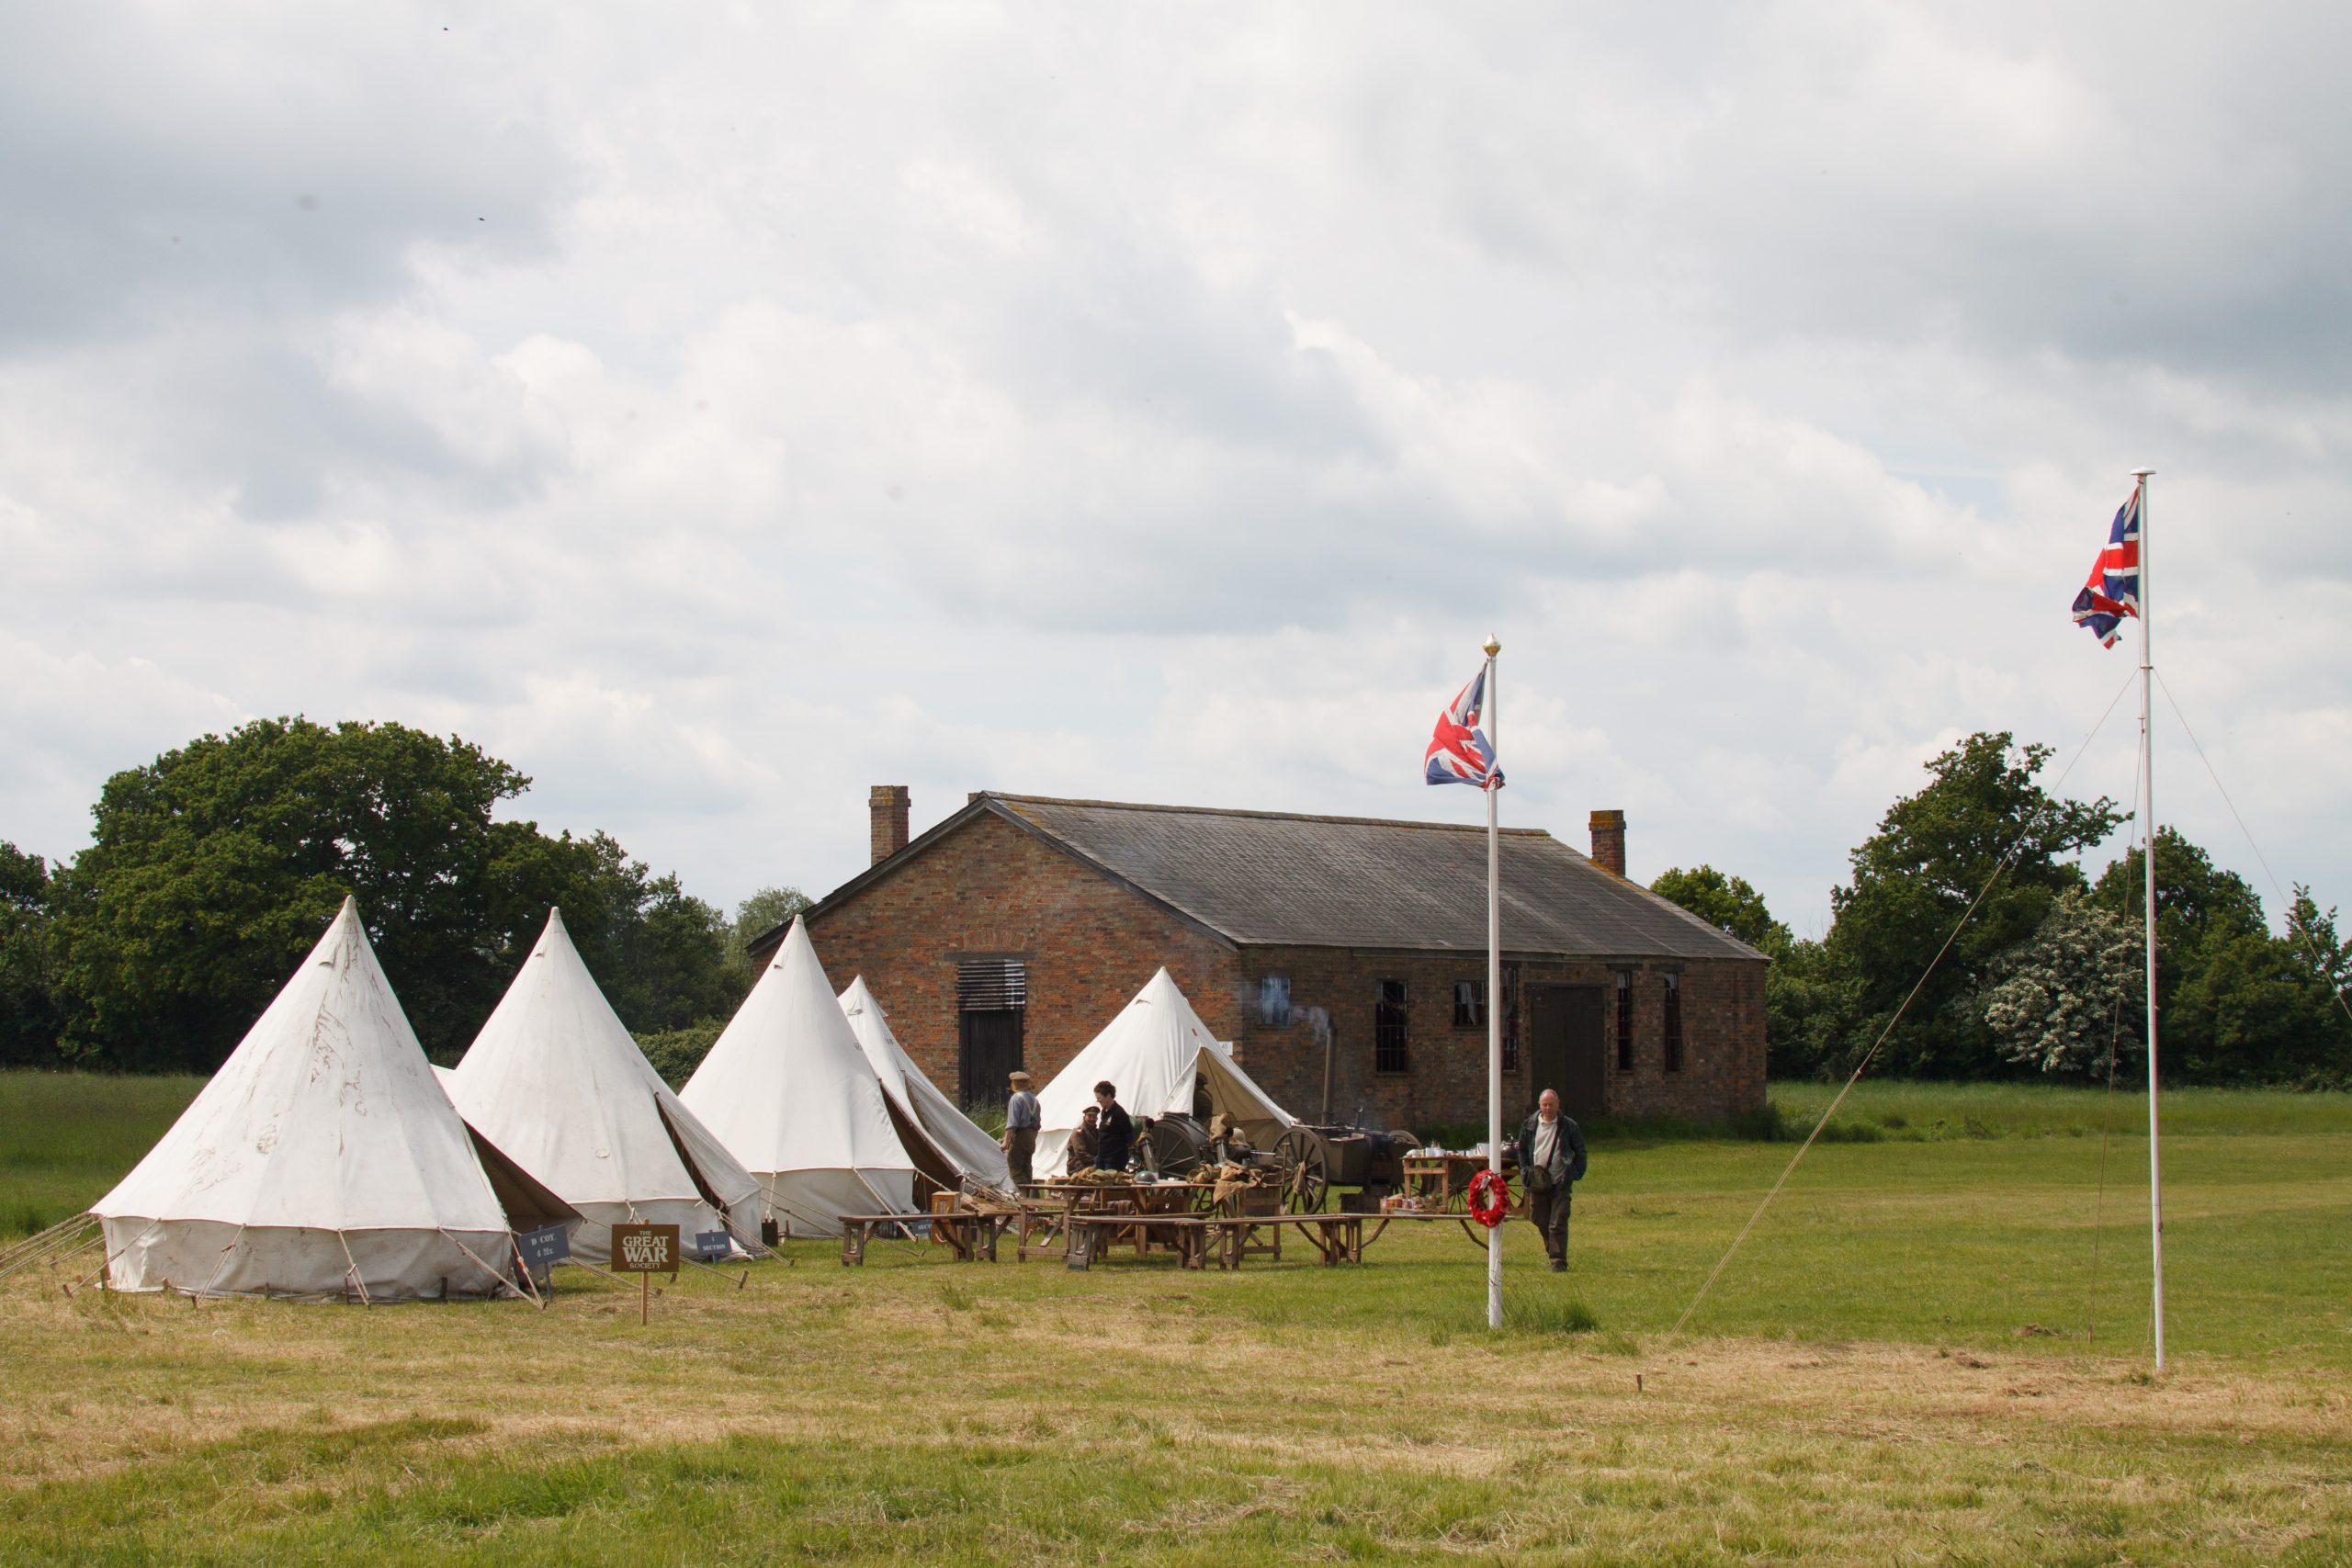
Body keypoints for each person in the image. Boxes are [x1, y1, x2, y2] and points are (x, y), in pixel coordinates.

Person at [1512, 1088, 1587, 1272]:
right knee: (1539, 1218)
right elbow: (1521, 1150)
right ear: (1539, 1105)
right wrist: (1525, 1171)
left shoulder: (1569, 1126)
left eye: (1551, 1105)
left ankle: (1558, 1261)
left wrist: (1575, 1172)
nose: (1548, 1108)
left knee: (1558, 1221)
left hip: (1561, 1180)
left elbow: (1580, 1151)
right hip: (1537, 1181)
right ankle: (1553, 1251)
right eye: (1544, 1105)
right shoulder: (1529, 1125)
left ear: (1558, 1104)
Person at [1001, 1070, 1040, 1187]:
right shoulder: (1035, 1100)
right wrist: (1032, 1138)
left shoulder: (1016, 1098)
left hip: (1021, 1135)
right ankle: (1030, 1199)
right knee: (1027, 1168)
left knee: (1015, 1169)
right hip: (1032, 1136)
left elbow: (1012, 1124)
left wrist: (1005, 1142)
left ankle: (1025, 1199)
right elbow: (1038, 1124)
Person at [1092, 1081, 1135, 1172]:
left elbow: (1129, 1135)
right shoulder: (1104, 1111)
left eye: (1099, 1097)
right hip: (1102, 1155)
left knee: (1110, 1184)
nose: (1098, 1100)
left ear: (1108, 1095)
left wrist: (1118, 1149)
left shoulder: (1119, 1113)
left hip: (1114, 1159)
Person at [1068, 1104, 1102, 1171]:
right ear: (1084, 1117)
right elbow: (1080, 1153)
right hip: (1078, 1166)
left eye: (1094, 1117)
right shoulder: (1078, 1133)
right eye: (1089, 1116)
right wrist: (1097, 1160)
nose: (1092, 1119)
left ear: (1097, 1119)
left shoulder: (1097, 1132)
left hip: (1091, 1164)